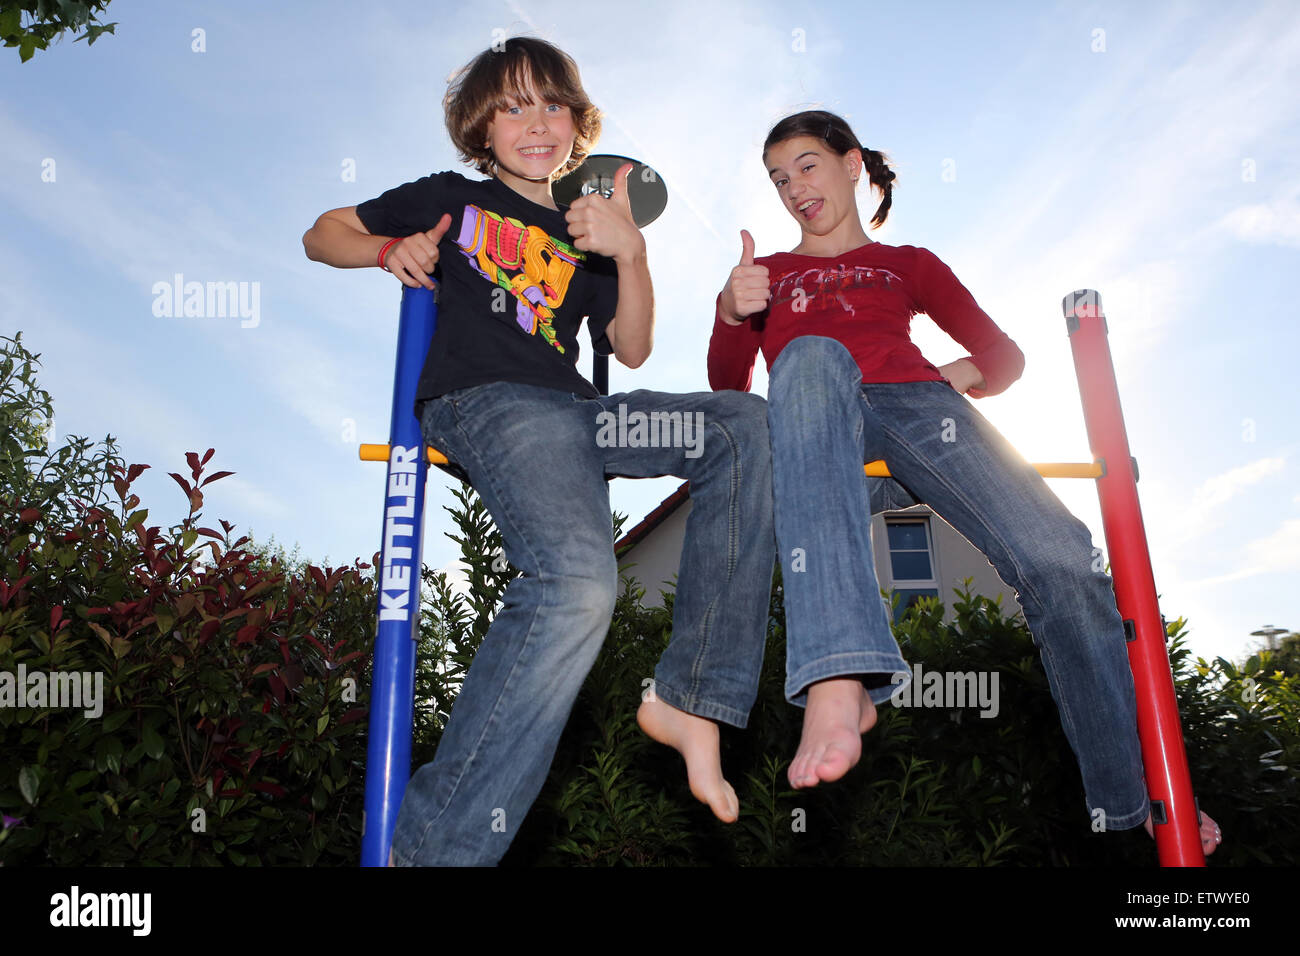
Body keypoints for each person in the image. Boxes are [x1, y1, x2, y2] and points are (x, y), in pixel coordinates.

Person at [303, 37, 775, 865]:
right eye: (512, 107)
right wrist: (388, 250)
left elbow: (630, 349)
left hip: (586, 417)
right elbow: (322, 232)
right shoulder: (451, 195)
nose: (536, 123)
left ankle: (695, 693)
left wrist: (631, 252)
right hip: (490, 400)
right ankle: (434, 854)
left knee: (744, 426)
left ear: (576, 124)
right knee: (578, 583)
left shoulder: (589, 228)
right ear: (480, 130)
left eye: (552, 104)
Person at [707, 109, 1220, 854]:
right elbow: (729, 387)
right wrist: (731, 312)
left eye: (809, 165)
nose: (795, 188)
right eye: (779, 178)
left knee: (1063, 562)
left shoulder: (909, 263)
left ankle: (1130, 797)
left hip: (920, 411)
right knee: (811, 357)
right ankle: (839, 676)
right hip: (818, 424)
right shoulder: (771, 276)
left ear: (853, 165)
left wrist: (947, 380)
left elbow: (1002, 357)